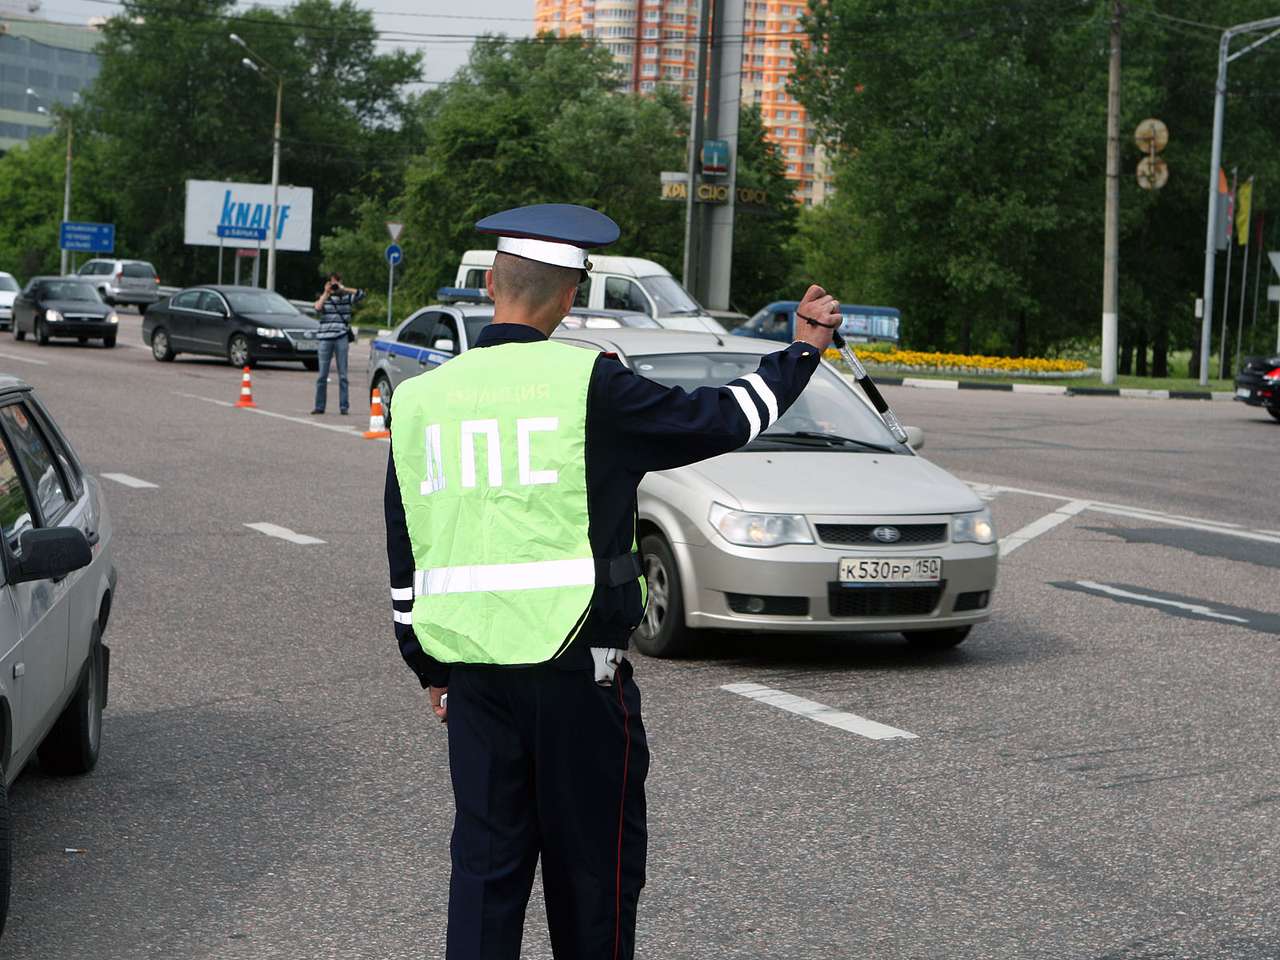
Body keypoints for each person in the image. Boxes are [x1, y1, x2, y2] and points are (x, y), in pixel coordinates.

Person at [383, 203, 841, 960]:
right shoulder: (590, 383)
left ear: (492, 283)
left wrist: (427, 666)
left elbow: (405, 552)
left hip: (471, 679)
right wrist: (801, 351)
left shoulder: (421, 400)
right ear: (571, 296)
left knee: (485, 881)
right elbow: (724, 419)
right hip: (580, 677)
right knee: (592, 879)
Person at [311, 271, 364, 415]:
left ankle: (344, 407)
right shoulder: (325, 297)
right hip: (324, 338)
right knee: (322, 374)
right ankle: (319, 406)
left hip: (341, 337)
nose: (334, 285)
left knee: (343, 375)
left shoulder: (347, 297)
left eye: (336, 282)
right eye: (332, 282)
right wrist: (326, 292)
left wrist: (343, 288)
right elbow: (317, 308)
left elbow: (361, 294)